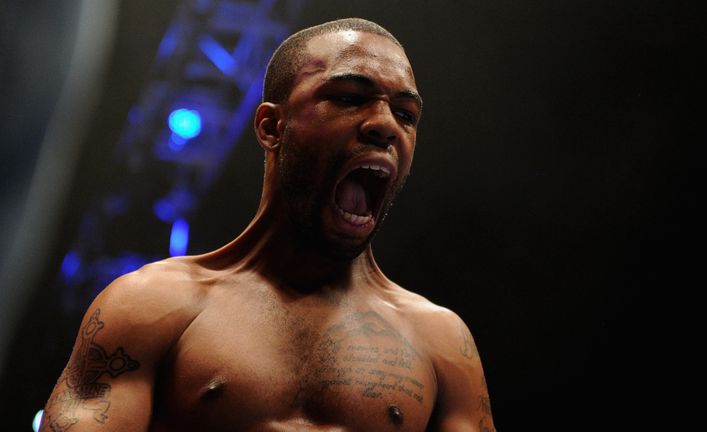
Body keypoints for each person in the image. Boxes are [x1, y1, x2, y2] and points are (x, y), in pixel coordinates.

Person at [41, 18, 495, 431]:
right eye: (350, 98)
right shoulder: (152, 307)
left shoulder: (439, 343)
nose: (384, 124)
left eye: (406, 114)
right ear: (271, 126)